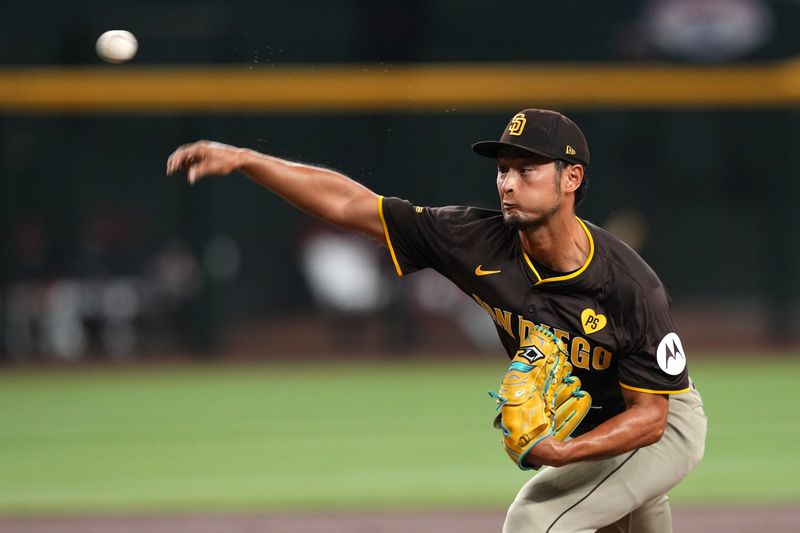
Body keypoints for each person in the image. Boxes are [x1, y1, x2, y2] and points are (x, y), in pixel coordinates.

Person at [166, 109, 707, 532]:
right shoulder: (473, 239)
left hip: (657, 422)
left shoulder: (629, 285)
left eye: (527, 169)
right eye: (502, 170)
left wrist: (562, 453)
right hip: (598, 422)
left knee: (535, 521)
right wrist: (246, 160)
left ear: (572, 178)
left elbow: (651, 418)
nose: (508, 184)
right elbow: (353, 205)